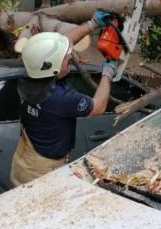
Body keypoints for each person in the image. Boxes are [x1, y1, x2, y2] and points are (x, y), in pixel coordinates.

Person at [10, 11, 117, 187]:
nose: (69, 56)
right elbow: (98, 107)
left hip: (24, 159)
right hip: (42, 172)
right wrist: (107, 75)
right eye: (65, 58)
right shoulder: (60, 99)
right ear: (52, 66)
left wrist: (92, 24)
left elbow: (57, 45)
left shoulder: (31, 71)